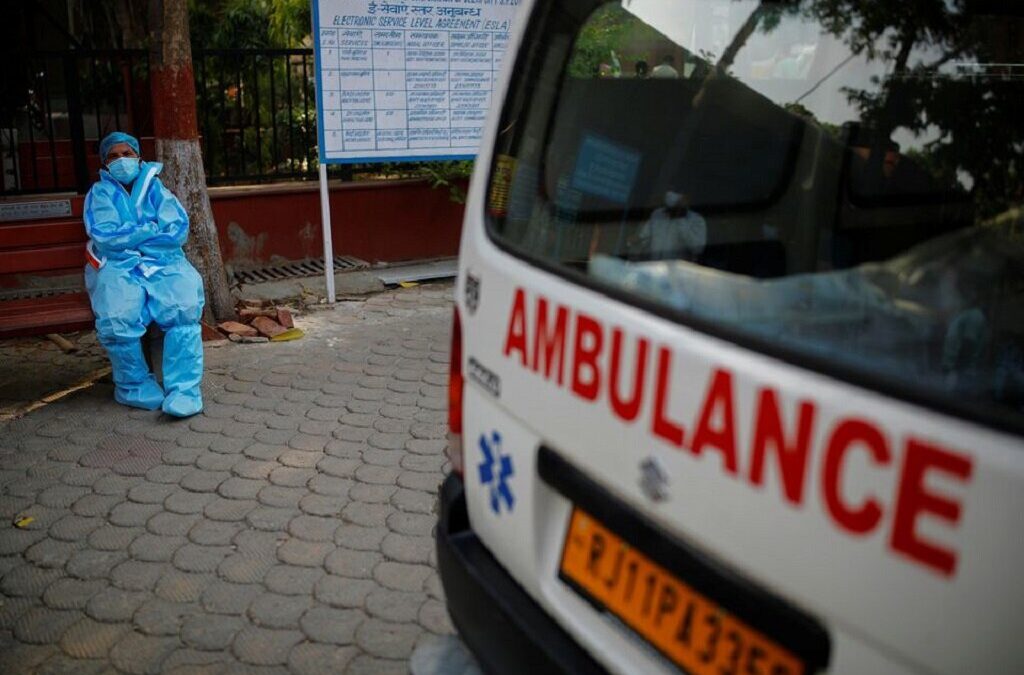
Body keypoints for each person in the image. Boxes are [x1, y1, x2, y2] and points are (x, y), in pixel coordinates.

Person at [83, 131, 205, 417]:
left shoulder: (157, 189)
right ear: (104, 163)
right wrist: (149, 230)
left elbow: (176, 231)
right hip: (117, 265)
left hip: (164, 262)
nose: (121, 160)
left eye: (127, 154)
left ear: (138, 157)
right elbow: (105, 237)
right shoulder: (99, 193)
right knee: (117, 316)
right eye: (113, 156)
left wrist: (134, 238)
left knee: (183, 307)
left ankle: (185, 390)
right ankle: (132, 386)